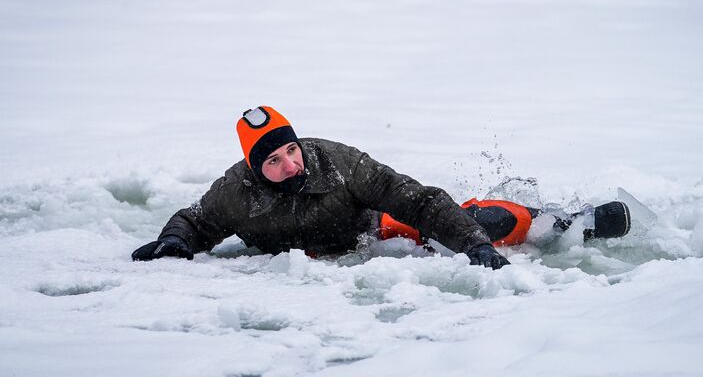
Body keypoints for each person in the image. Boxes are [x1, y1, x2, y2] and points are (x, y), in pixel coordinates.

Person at [132, 106, 631, 269]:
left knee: (482, 222)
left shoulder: (338, 162)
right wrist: (175, 241)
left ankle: (568, 223)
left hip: (375, 235)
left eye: (291, 150)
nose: (288, 163)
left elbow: (417, 200)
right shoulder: (234, 191)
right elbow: (195, 219)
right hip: (310, 263)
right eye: (273, 160)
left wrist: (475, 246)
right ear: (252, 166)